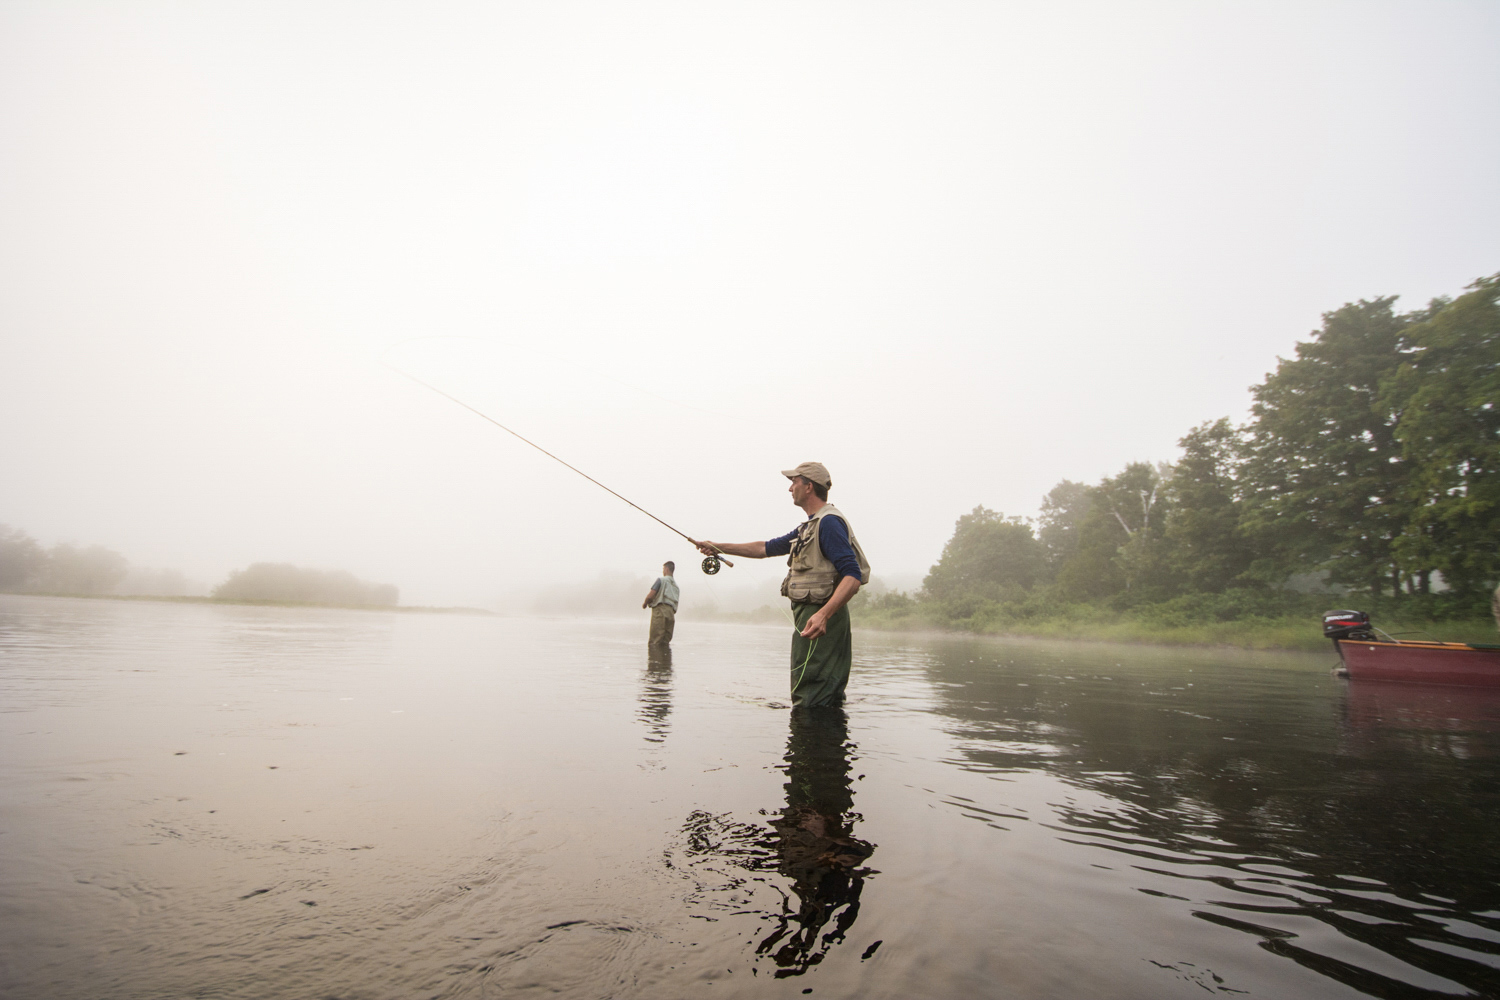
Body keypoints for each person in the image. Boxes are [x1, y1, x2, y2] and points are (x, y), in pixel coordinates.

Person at [694, 462, 870, 707]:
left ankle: (815, 743)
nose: (790, 489)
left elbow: (852, 576)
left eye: (794, 482)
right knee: (808, 692)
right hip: (811, 618)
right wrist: (718, 547)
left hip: (821, 620)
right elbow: (763, 548)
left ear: (808, 487)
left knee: (815, 698)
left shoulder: (829, 523)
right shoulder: (809, 527)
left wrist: (823, 615)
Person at [642, 561, 680, 647]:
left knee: (655, 641)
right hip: (671, 614)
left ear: (666, 569)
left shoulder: (661, 580)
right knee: (665, 642)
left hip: (660, 611)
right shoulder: (676, 586)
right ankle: (665, 660)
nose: (663, 571)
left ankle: (654, 659)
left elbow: (650, 596)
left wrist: (645, 603)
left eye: (663, 569)